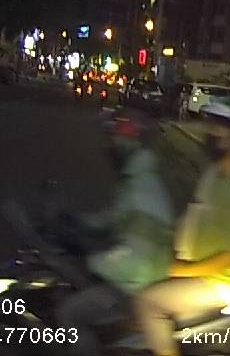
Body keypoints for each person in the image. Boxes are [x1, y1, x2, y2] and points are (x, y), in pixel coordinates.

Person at [134, 99, 230, 356]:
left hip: (224, 283)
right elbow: (193, 217)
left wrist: (183, 270)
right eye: (211, 125)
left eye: (219, 127)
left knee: (147, 302)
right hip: (199, 270)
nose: (210, 132)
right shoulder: (215, 174)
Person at [56, 111, 175, 356]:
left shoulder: (141, 191)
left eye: (112, 141)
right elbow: (112, 219)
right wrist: (76, 221)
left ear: (126, 144)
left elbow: (137, 260)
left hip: (133, 287)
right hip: (137, 276)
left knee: (69, 313)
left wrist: (94, 262)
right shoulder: (138, 179)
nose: (108, 147)